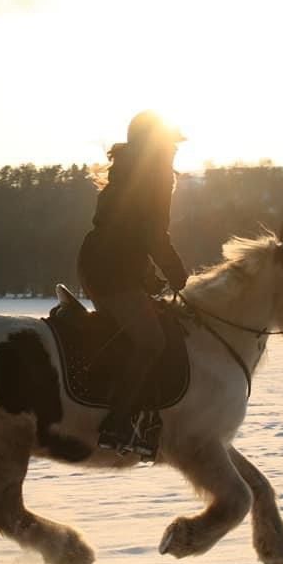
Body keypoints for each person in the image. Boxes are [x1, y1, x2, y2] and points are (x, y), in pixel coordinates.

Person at [77, 110, 189, 454]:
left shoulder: (127, 172)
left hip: (101, 262)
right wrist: (178, 275)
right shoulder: (154, 177)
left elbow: (128, 233)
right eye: (170, 144)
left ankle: (143, 415)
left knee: (143, 327)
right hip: (113, 269)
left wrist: (149, 277)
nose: (174, 150)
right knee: (152, 341)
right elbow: (154, 234)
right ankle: (117, 424)